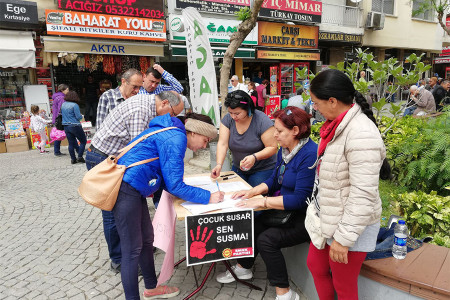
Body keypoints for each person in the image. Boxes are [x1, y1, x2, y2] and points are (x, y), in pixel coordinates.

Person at [115, 112, 223, 300]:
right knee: (132, 250)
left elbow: (169, 178)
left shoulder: (171, 131)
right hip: (126, 189)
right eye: (205, 141)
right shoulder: (177, 138)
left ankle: (151, 288)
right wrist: (208, 196)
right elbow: (174, 185)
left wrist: (192, 191)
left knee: (147, 240)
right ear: (194, 133)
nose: (204, 147)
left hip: (133, 188)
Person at [215, 107, 317, 300]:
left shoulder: (309, 154)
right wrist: (251, 191)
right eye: (274, 129)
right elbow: (274, 180)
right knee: (253, 222)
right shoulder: (285, 150)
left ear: (295, 131)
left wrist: (263, 201)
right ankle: (244, 267)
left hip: (304, 217)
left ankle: (285, 293)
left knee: (267, 239)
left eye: (279, 131)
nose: (275, 135)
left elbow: (300, 199)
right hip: (284, 211)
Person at [306, 69, 387, 300]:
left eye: (316, 103)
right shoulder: (336, 125)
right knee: (316, 266)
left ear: (332, 101)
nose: (315, 109)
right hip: (331, 216)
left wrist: (344, 239)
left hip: (351, 225)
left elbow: (363, 194)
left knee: (344, 284)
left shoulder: (361, 133)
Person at [86, 91, 184, 273]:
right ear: (164, 104)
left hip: (118, 160)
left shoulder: (150, 106)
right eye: (172, 114)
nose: (172, 119)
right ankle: (119, 260)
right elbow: (140, 151)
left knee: (132, 209)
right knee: (112, 212)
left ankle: (137, 252)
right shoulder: (141, 110)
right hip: (104, 159)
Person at [211, 90, 277, 187]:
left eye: (237, 113)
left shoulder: (262, 120)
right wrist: (219, 164)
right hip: (239, 168)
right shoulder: (228, 120)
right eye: (230, 113)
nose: (233, 117)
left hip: (263, 169)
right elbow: (222, 143)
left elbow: (272, 147)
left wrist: (254, 157)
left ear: (248, 109)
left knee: (253, 195)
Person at [61, 91, 87, 164]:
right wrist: (82, 116)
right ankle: (80, 156)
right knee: (83, 141)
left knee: (71, 143)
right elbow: (78, 117)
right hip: (75, 125)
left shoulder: (63, 104)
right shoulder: (74, 105)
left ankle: (73, 159)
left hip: (66, 125)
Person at [51, 84, 69, 156]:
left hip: (57, 118)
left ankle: (57, 151)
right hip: (61, 119)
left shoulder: (56, 97)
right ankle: (57, 151)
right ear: (62, 90)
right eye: (67, 90)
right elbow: (62, 109)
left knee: (58, 135)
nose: (68, 91)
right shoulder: (61, 98)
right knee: (64, 134)